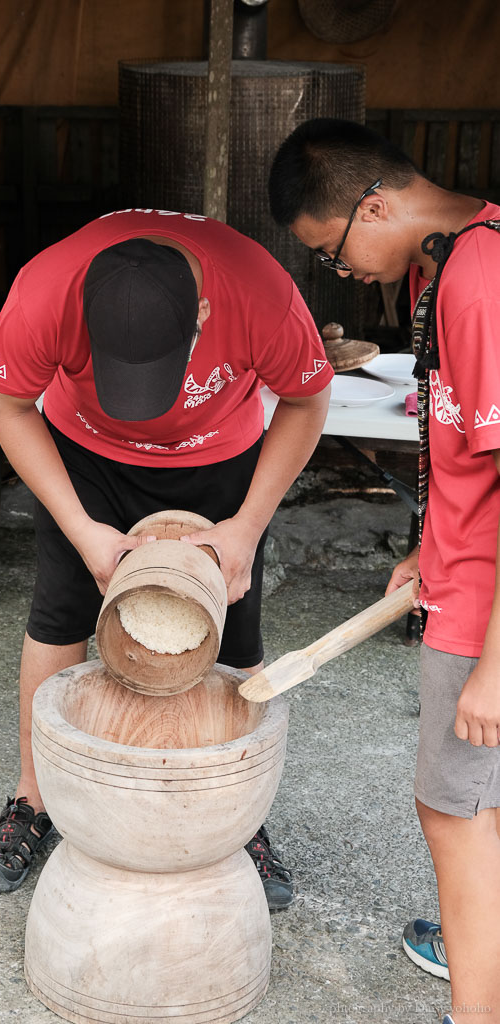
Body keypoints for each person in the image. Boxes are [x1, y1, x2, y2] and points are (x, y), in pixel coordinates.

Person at [0, 208, 333, 910]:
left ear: (202, 312)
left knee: (238, 629)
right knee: (60, 612)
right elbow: (9, 402)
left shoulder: (259, 292)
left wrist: (245, 527)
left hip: (219, 461)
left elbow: (306, 400)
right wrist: (81, 529)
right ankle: (32, 800)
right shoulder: (45, 289)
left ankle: (243, 817)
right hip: (86, 456)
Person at [268, 118, 500, 1024]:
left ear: (374, 205)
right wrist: (427, 541)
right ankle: (474, 938)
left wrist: (492, 663)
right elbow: (468, 449)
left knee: (449, 812)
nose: (342, 274)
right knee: (475, 803)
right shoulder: (458, 252)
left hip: (482, 606)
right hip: (461, 567)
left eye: (332, 252)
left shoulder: (478, 280)